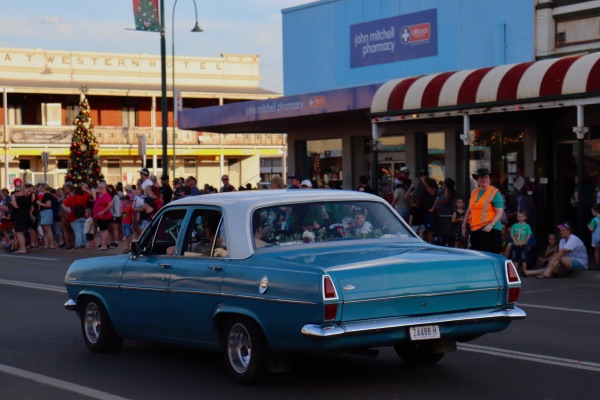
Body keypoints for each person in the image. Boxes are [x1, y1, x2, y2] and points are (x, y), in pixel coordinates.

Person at [462, 168, 504, 253]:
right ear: (477, 179)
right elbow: (469, 209)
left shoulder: (494, 192)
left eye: (486, 177)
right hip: (476, 230)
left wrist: (491, 225)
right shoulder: (474, 192)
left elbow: (499, 212)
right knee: (477, 257)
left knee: (490, 256)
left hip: (490, 230)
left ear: (489, 179)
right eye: (481, 177)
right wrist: (463, 225)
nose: (484, 179)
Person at [414, 169, 438, 244]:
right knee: (421, 230)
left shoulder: (432, 183)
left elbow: (432, 192)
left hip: (429, 210)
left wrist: (424, 182)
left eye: (424, 174)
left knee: (429, 230)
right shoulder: (419, 184)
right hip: (420, 210)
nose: (423, 176)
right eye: (421, 175)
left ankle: (430, 245)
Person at [62, 185, 91, 250]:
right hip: (83, 216)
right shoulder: (84, 197)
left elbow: (63, 204)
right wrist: (85, 189)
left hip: (74, 217)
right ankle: (84, 244)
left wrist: (66, 209)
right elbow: (90, 194)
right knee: (83, 231)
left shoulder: (71, 198)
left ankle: (79, 244)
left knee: (77, 231)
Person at [93, 181, 114, 251]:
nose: (99, 189)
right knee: (103, 230)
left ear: (105, 188)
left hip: (104, 216)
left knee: (104, 230)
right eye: (98, 187)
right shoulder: (99, 195)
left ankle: (104, 245)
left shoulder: (106, 195)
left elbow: (110, 204)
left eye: (101, 187)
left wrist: (103, 211)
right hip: (99, 216)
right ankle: (105, 244)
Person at [9, 187, 28, 253]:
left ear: (22, 191)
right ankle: (21, 248)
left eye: (18, 191)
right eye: (16, 191)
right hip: (17, 218)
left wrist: (13, 199)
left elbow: (16, 206)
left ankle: (23, 249)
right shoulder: (20, 199)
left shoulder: (23, 199)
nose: (16, 192)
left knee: (20, 234)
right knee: (18, 233)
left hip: (20, 218)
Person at [37, 183, 55, 249]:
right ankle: (47, 244)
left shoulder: (47, 195)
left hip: (46, 212)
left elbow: (48, 205)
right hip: (45, 212)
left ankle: (52, 244)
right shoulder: (46, 195)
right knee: (46, 229)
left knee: (48, 229)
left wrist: (40, 203)